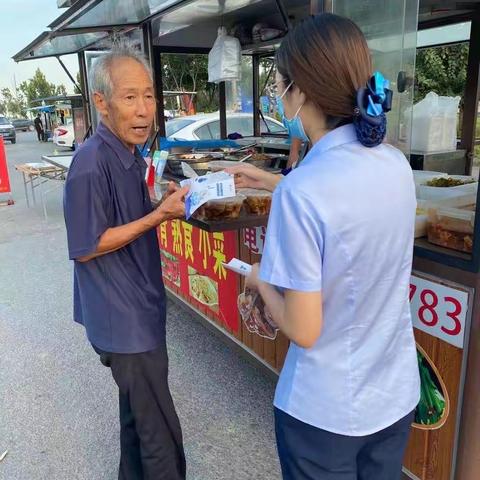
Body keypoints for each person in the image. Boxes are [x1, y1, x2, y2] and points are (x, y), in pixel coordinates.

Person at [227, 13, 419, 480]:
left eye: (278, 86)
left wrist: (258, 279)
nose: (277, 96)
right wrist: (270, 179)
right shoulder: (395, 165)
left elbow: (304, 329)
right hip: (393, 396)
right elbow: (341, 201)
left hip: (325, 414)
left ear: (303, 92)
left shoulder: (304, 192)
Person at [63, 42, 188, 480]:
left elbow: (125, 214)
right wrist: (157, 216)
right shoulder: (90, 162)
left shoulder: (128, 154)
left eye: (149, 96)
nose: (143, 110)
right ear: (101, 102)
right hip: (124, 320)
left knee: (137, 420)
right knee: (159, 435)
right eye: (129, 97)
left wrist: (158, 200)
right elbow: (88, 243)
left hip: (140, 308)